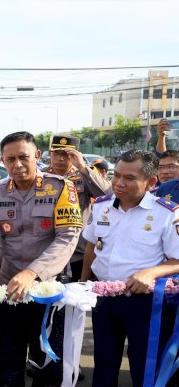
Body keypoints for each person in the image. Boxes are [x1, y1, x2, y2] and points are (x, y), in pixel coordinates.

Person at [0, 131, 82, 387]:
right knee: (8, 358)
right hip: (10, 290)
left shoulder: (61, 188)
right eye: (10, 159)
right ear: (2, 161)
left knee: (46, 360)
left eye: (24, 157)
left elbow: (68, 237)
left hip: (49, 289)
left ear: (37, 156)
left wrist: (32, 273)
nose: (17, 164)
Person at [81, 149, 179, 386]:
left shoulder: (167, 213)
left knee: (143, 364)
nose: (119, 183)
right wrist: (83, 283)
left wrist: (150, 272)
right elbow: (91, 248)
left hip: (145, 302)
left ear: (151, 182)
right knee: (104, 361)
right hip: (104, 298)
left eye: (129, 178)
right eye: (116, 175)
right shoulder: (101, 207)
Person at [46, 135, 112, 281]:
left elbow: (110, 196)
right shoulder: (41, 176)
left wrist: (82, 167)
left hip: (76, 252)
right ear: (50, 154)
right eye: (56, 154)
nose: (60, 159)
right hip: (46, 251)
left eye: (66, 155)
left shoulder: (84, 175)